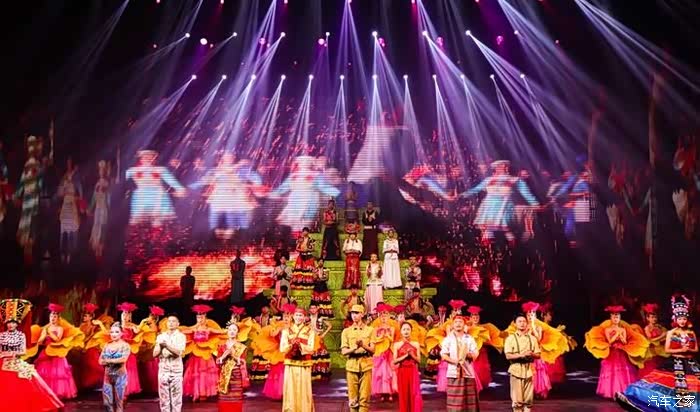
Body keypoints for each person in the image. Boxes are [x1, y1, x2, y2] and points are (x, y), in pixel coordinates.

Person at [617, 295, 699, 411]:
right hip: (676, 362)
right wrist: (682, 350)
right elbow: (667, 349)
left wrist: (689, 350)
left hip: (690, 363)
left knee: (692, 387)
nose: (682, 321)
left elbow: (696, 349)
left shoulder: (691, 333)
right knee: (664, 387)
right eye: (680, 319)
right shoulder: (671, 333)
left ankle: (687, 408)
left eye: (684, 319)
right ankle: (637, 399)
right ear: (675, 319)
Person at [0, 298, 64, 411]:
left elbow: (22, 351)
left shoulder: (20, 336)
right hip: (2, 360)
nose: (10, 325)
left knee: (26, 379)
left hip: (15, 360)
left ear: (17, 324)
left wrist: (13, 353)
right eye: (9, 323)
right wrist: (3, 354)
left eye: (13, 323)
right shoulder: (2, 335)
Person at [458, 160, 540, 244]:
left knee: (505, 227)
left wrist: (535, 203)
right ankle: (490, 245)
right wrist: (461, 195)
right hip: (489, 205)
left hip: (504, 205)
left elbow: (526, 193)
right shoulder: (488, 180)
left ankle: (512, 245)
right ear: (496, 168)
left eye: (505, 166)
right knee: (488, 228)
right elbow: (476, 189)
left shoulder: (515, 180)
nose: (503, 168)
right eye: (500, 166)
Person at [584, 305, 649, 399]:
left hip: (621, 351)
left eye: (618, 317)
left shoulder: (623, 329)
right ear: (611, 317)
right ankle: (612, 391)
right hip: (612, 352)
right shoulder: (608, 329)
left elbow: (625, 342)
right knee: (612, 372)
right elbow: (610, 341)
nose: (616, 319)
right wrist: (616, 335)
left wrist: (621, 336)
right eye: (614, 317)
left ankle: (623, 391)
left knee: (622, 372)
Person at [31, 303, 82, 400]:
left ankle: (57, 393)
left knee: (57, 374)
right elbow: (40, 341)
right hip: (46, 352)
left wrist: (50, 333)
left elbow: (57, 339)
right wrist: (43, 336)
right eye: (51, 316)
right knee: (45, 373)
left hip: (57, 352)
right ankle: (46, 393)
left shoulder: (60, 328)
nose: (52, 318)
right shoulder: (46, 328)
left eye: (54, 317)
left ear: (58, 318)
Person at [182, 304, 224, 401]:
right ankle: (195, 393)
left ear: (205, 318)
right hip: (196, 355)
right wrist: (195, 326)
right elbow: (183, 331)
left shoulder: (208, 329)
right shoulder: (194, 329)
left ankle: (204, 393)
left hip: (206, 354)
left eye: (201, 317)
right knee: (195, 373)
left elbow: (221, 332)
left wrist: (232, 328)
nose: (199, 319)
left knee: (205, 373)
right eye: (198, 317)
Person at [441, 315, 480, 412]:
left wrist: (467, 354)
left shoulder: (469, 338)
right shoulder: (448, 339)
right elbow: (444, 355)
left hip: (468, 373)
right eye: (456, 322)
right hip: (454, 374)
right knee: (455, 403)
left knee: (469, 403)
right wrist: (455, 361)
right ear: (452, 325)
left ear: (464, 325)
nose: (458, 324)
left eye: (460, 322)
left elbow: (475, 353)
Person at [280, 307, 316, 412]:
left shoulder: (310, 331)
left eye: (301, 315)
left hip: (304, 364)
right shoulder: (286, 331)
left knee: (304, 389)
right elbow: (282, 348)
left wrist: (300, 345)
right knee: (290, 389)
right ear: (293, 316)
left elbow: (311, 349)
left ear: (304, 317)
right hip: (290, 364)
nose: (298, 317)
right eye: (297, 315)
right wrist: (291, 345)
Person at [341, 304, 375, 412]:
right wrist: (354, 348)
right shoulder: (346, 331)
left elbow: (373, 350)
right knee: (353, 398)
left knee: (364, 397)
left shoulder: (370, 330)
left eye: (356, 313)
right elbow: (344, 351)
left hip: (366, 364)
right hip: (352, 365)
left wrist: (363, 345)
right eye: (352, 313)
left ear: (362, 314)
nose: (354, 315)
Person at [505, 313, 541, 412]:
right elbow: (508, 356)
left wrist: (532, 354)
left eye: (524, 321)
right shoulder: (510, 339)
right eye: (519, 321)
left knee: (528, 401)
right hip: (516, 371)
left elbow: (538, 355)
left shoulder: (532, 339)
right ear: (515, 324)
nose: (522, 323)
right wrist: (522, 355)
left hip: (529, 370)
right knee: (517, 402)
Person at [154, 315, 186, 412]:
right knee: (164, 399)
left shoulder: (181, 336)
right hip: (163, 370)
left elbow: (178, 353)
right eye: (169, 321)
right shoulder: (161, 336)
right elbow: (154, 354)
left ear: (178, 324)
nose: (171, 323)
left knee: (176, 398)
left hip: (176, 370)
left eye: (173, 321)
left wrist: (167, 346)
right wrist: (160, 348)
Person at [75, 303, 110, 391]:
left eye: (86, 316)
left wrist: (100, 324)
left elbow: (105, 333)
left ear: (90, 317)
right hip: (84, 348)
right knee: (85, 366)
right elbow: (80, 335)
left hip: (91, 348)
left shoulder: (94, 326)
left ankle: (100, 383)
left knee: (94, 365)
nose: (84, 317)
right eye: (84, 316)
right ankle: (88, 385)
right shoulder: (82, 326)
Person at [217, 322, 249, 412]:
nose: (232, 331)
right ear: (227, 331)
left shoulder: (242, 347)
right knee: (224, 398)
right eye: (230, 329)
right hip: (224, 375)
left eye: (234, 330)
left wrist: (233, 356)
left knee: (236, 397)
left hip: (236, 375)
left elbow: (243, 362)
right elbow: (218, 361)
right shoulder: (222, 346)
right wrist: (223, 356)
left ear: (237, 332)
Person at [100, 322, 131, 412]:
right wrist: (109, 361)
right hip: (107, 377)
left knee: (119, 402)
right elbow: (100, 360)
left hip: (120, 376)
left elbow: (123, 359)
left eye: (116, 332)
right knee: (107, 403)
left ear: (121, 333)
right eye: (112, 332)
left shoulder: (125, 345)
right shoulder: (107, 345)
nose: (114, 334)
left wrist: (108, 361)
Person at [393, 322, 423, 412]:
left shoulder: (416, 344)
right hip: (402, 371)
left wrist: (412, 355)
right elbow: (395, 361)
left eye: (408, 329)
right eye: (404, 329)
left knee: (414, 394)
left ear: (411, 331)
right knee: (403, 395)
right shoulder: (397, 345)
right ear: (401, 331)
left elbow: (419, 361)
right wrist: (406, 356)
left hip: (413, 371)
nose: (406, 331)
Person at [370, 303, 398, 402]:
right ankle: (382, 392)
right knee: (381, 373)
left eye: (385, 316)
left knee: (389, 372)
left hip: (389, 351)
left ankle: (390, 392)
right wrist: (381, 336)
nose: (384, 318)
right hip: (379, 351)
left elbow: (392, 339)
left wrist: (387, 335)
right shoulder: (376, 328)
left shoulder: (392, 328)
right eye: (382, 316)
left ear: (389, 317)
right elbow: (374, 339)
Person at [636, 303, 668, 378]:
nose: (654, 319)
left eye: (655, 317)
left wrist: (665, 337)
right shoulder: (647, 328)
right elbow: (650, 339)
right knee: (652, 368)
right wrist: (662, 336)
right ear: (648, 318)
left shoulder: (659, 327)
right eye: (652, 317)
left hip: (660, 350)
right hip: (652, 351)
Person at [89, 160, 111, 260]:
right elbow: (94, 197)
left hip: (103, 208)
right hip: (98, 208)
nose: (100, 171)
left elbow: (109, 197)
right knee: (96, 226)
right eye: (99, 170)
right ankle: (96, 247)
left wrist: (110, 207)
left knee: (102, 227)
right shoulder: (97, 183)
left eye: (102, 170)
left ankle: (100, 248)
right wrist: (90, 208)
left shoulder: (107, 183)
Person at [308, 303, 332, 381]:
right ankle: (312, 373)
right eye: (311, 308)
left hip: (318, 338)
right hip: (310, 339)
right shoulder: (307, 318)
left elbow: (330, 325)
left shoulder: (321, 318)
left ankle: (321, 373)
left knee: (321, 355)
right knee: (312, 355)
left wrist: (323, 334)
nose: (312, 310)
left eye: (314, 308)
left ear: (317, 308)